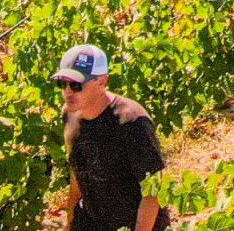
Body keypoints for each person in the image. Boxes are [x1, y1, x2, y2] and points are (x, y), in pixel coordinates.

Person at [53, 44, 170, 231]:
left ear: (102, 81)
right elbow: (78, 171)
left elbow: (154, 191)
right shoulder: (69, 115)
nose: (67, 91)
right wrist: (70, 221)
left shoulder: (132, 122)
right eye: (62, 83)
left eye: (76, 85)